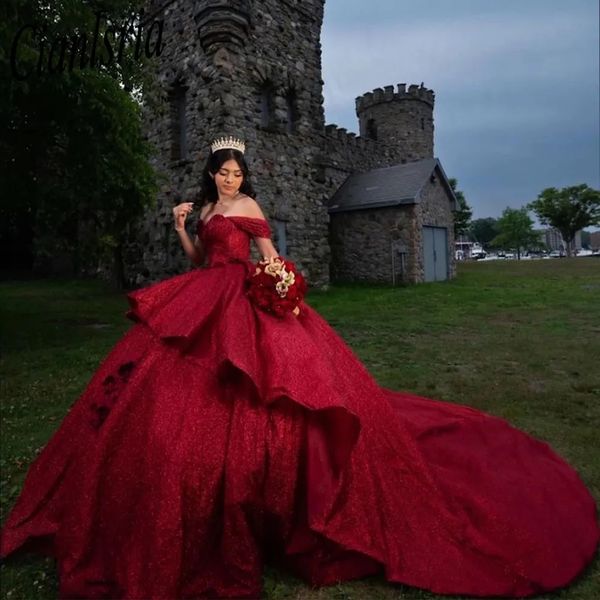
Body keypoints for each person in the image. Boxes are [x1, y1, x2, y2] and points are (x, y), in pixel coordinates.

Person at [1, 137, 598, 600]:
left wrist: (281, 287)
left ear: (243, 175)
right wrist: (182, 227)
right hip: (200, 293)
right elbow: (199, 257)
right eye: (224, 170)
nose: (230, 177)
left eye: (237, 171)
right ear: (212, 173)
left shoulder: (251, 206)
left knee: (267, 384)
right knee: (168, 383)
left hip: (244, 297)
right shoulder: (207, 207)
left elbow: (269, 257)